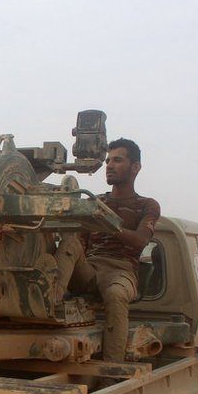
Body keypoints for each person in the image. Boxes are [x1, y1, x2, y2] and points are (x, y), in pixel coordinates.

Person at [53, 138, 161, 362]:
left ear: (135, 168)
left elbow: (141, 240)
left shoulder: (147, 205)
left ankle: (112, 370)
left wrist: (108, 225)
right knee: (70, 242)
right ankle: (51, 303)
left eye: (117, 160)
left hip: (121, 273)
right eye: (108, 160)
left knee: (115, 295)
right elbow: (79, 243)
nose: (109, 165)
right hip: (91, 270)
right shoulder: (97, 201)